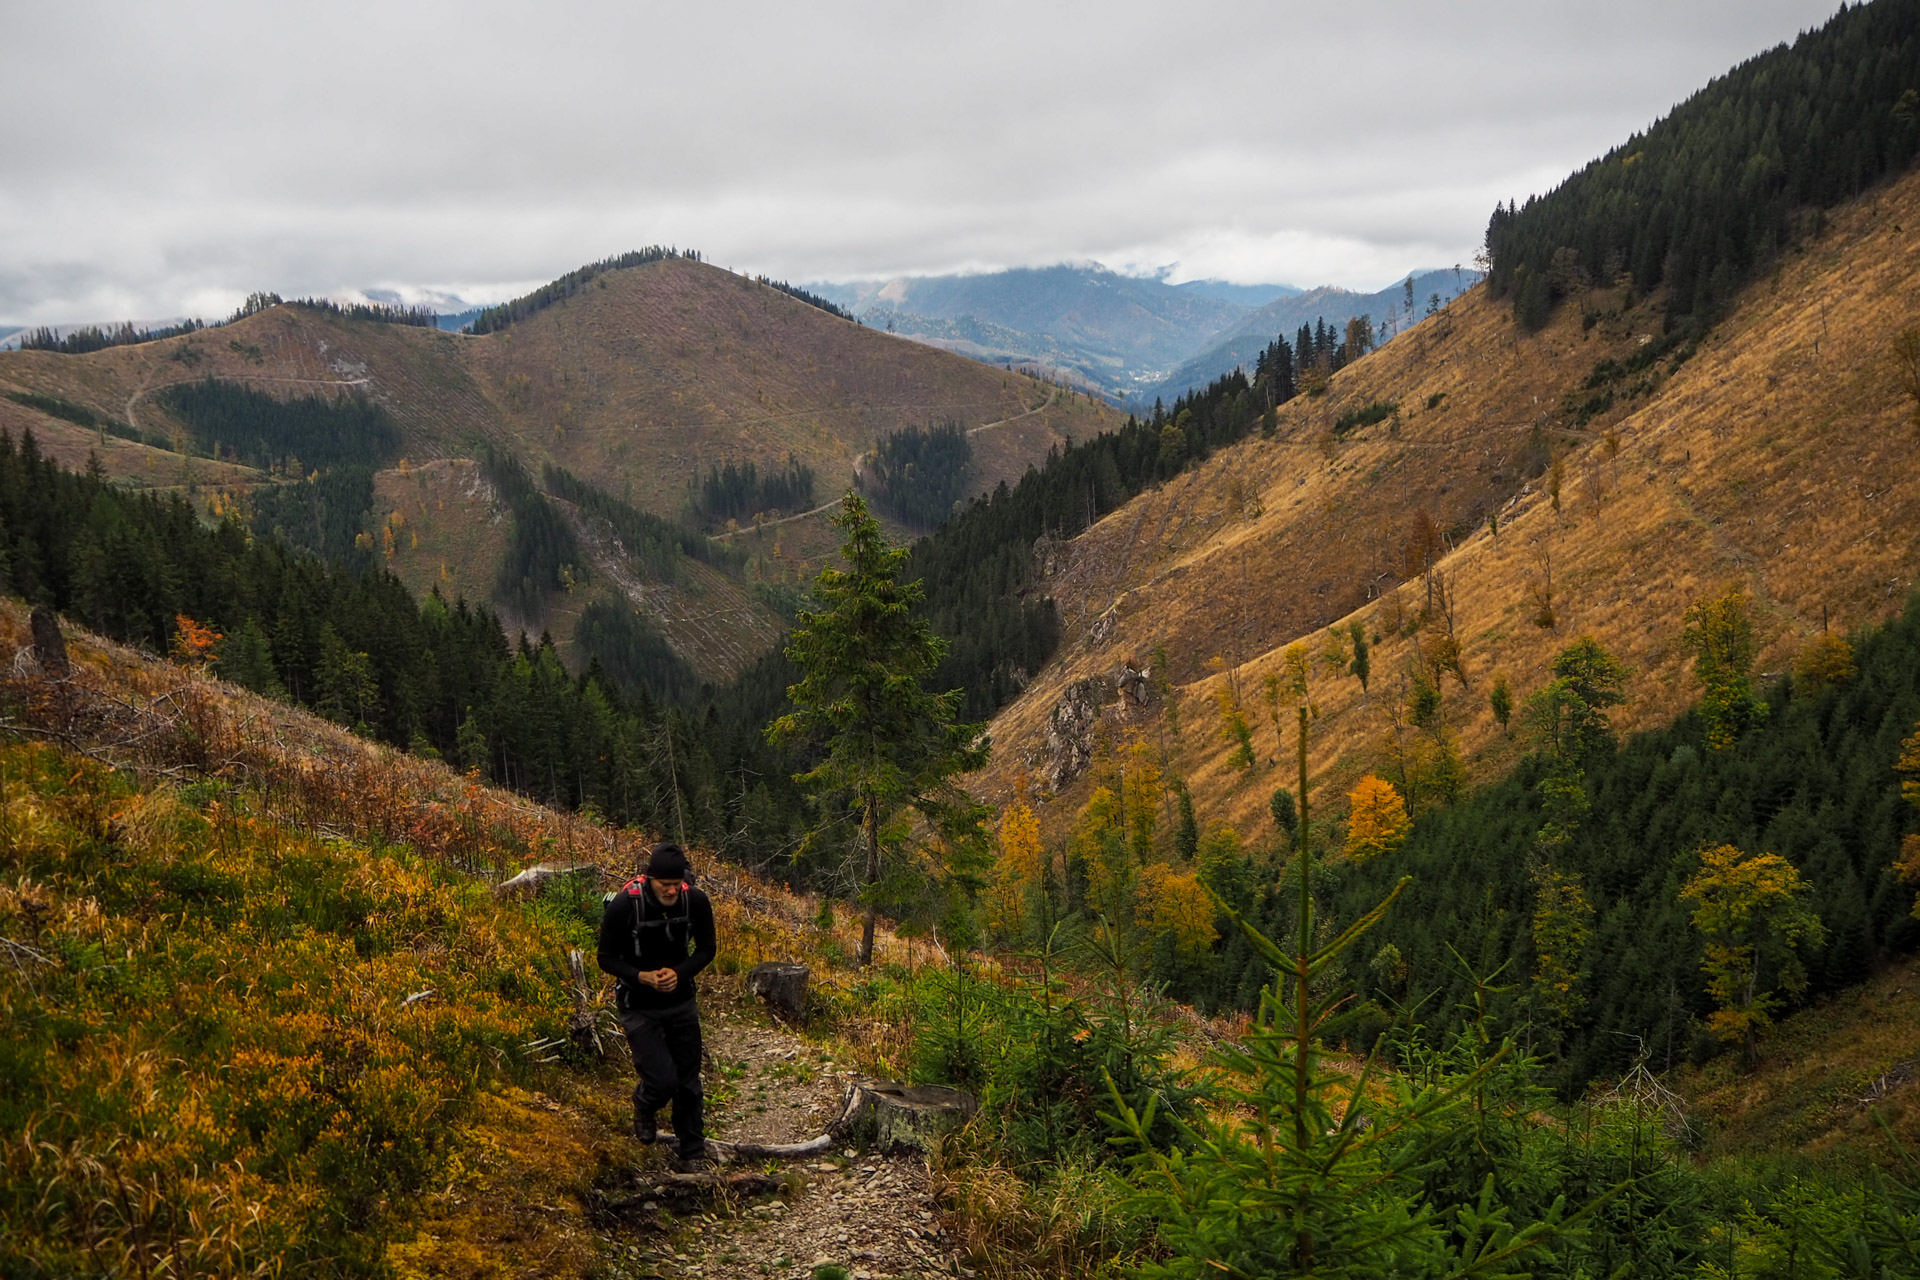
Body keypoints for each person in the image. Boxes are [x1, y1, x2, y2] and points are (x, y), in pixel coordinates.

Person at [596, 842, 717, 1170]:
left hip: (681, 1003)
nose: (672, 891)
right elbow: (605, 958)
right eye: (666, 885)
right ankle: (645, 1103)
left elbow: (707, 949)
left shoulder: (695, 901)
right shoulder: (625, 906)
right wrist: (642, 977)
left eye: (677, 885)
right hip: (639, 1006)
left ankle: (692, 1154)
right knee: (663, 1080)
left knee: (689, 1082)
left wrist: (679, 973)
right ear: (649, 879)